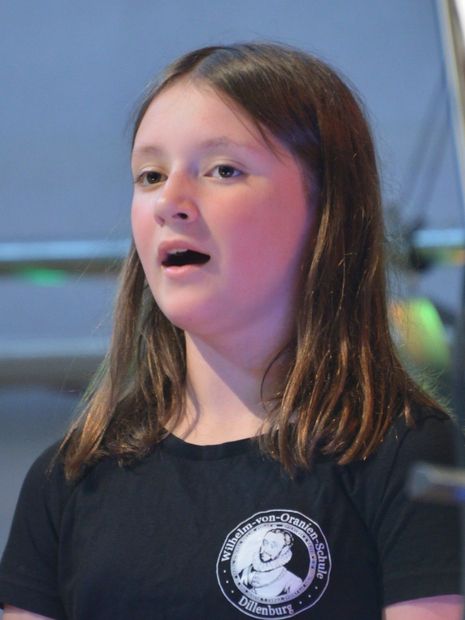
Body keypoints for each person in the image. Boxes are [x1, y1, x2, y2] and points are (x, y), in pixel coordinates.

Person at [0, 42, 463, 619]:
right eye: (150, 175)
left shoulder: (405, 456)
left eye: (223, 170)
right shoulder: (70, 479)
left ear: (328, 208)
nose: (170, 201)